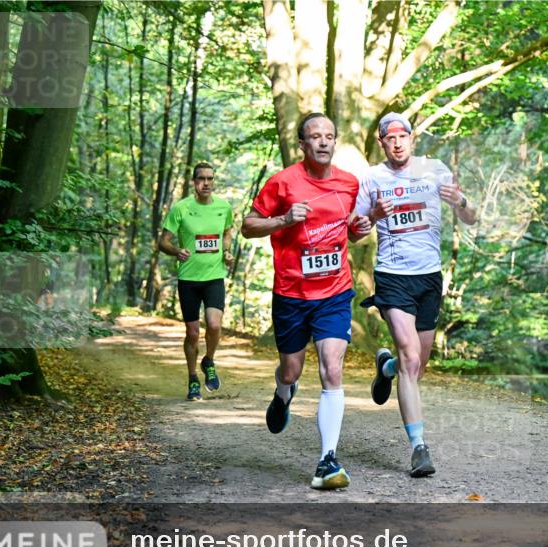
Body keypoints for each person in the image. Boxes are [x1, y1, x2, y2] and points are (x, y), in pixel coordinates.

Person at [242, 113, 372, 490]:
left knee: (332, 368)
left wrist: (360, 228)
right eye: (315, 136)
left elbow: (352, 231)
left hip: (334, 292)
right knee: (291, 371)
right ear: (302, 144)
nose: (323, 141)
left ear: (335, 142)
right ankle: (284, 393)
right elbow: (248, 226)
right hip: (292, 294)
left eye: (329, 136)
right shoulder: (283, 182)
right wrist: (283, 219)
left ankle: (327, 460)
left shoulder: (349, 184)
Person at [355, 112, 477, 478]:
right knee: (410, 358)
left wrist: (461, 200)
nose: (397, 143)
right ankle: (419, 448)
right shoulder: (371, 178)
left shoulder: (434, 169)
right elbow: (353, 234)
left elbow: (471, 217)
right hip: (393, 277)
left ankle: (386, 368)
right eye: (389, 138)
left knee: (416, 366)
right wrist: (372, 215)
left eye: (402, 136)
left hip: (429, 278)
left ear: (412, 138)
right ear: (382, 143)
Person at [159, 162, 234, 401]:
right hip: (188, 279)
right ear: (194, 182)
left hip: (214, 276)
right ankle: (193, 379)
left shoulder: (224, 207)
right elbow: (163, 241)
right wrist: (176, 251)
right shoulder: (181, 208)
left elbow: (228, 232)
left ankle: (209, 360)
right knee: (192, 333)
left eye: (210, 178)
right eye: (201, 178)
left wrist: (227, 251)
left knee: (214, 325)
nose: (206, 183)